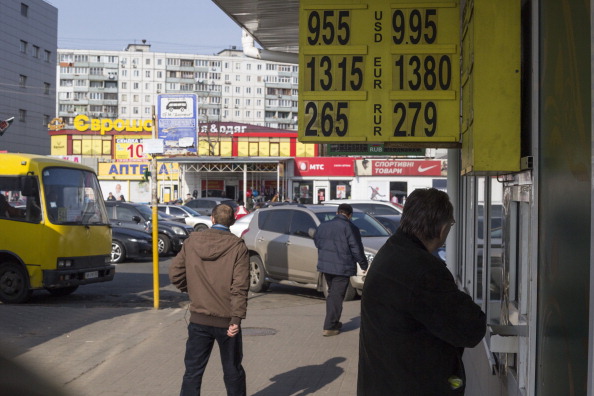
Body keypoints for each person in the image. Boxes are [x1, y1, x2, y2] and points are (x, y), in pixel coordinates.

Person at [357, 188, 486, 395]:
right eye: (451, 224)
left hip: (384, 383)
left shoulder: (392, 251)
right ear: (443, 228)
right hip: (411, 385)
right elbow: (471, 330)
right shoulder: (423, 271)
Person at [169, 203, 250, 396]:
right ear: (232, 221)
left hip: (199, 318)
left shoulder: (192, 241)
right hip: (227, 320)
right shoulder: (238, 246)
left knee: (193, 372)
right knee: (232, 371)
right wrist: (236, 319)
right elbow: (240, 287)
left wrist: (192, 289)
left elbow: (175, 274)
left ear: (212, 219)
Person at [314, 203, 368, 336]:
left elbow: (317, 241)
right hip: (342, 267)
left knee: (333, 294)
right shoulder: (350, 227)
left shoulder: (323, 225)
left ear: (337, 213)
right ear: (349, 215)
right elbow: (356, 248)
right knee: (336, 296)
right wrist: (363, 265)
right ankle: (330, 326)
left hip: (326, 266)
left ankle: (333, 322)